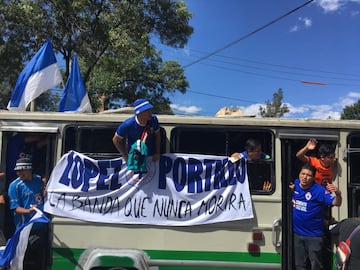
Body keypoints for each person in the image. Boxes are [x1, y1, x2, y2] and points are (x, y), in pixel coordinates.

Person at [291, 163, 342, 270]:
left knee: (316, 265)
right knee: (299, 265)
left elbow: (336, 203)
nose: (304, 177)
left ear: (313, 178)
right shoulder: (294, 184)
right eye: (302, 174)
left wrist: (338, 194)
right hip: (297, 233)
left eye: (308, 175)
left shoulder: (319, 191)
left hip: (314, 235)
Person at [7, 158, 48, 270]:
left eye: (22, 170)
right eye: (17, 171)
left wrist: (45, 189)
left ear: (30, 170)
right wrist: (29, 211)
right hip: (24, 229)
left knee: (41, 257)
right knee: (24, 259)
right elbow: (15, 208)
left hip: (41, 226)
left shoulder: (39, 180)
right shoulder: (15, 185)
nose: (19, 173)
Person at [112, 99, 161, 165]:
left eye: (150, 110)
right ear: (139, 113)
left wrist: (157, 152)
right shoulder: (128, 124)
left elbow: (157, 135)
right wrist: (126, 157)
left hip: (151, 157)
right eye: (147, 111)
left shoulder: (153, 120)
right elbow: (116, 140)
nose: (150, 113)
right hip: (135, 158)